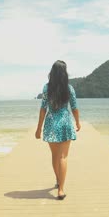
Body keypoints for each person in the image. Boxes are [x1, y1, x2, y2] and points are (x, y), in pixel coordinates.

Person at [35, 60, 81, 200]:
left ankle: (58, 180)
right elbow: (74, 107)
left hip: (51, 123)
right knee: (63, 157)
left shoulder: (46, 88)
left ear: (52, 73)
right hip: (66, 123)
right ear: (64, 73)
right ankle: (61, 189)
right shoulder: (69, 88)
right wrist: (78, 122)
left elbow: (43, 109)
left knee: (55, 156)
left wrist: (39, 129)